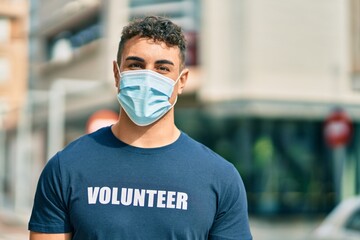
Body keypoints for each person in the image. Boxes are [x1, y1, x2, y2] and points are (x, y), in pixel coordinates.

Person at [28, 16, 252, 240]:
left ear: (181, 81)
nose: (148, 77)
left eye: (162, 68)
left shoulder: (220, 178)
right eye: (136, 65)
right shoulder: (66, 167)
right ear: (117, 74)